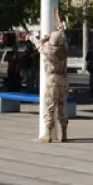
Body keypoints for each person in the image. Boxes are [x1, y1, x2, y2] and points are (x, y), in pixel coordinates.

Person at [37, 9, 69, 143]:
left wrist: (44, 38)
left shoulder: (49, 50)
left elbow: (38, 45)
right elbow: (63, 33)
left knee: (49, 106)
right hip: (63, 79)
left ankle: (48, 133)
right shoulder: (64, 48)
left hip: (52, 80)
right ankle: (64, 133)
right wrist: (58, 18)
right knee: (62, 106)